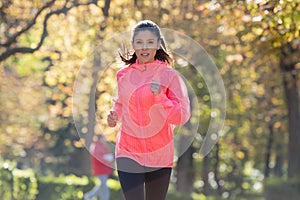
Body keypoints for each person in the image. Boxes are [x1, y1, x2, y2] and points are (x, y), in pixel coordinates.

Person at [107, 20, 191, 200]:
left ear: (158, 44)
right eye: (139, 42)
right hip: (128, 151)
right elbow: (120, 104)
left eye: (150, 42)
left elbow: (181, 116)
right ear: (133, 44)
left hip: (159, 154)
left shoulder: (170, 76)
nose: (144, 47)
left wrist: (160, 96)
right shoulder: (123, 75)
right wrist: (114, 116)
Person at [84, 135, 114, 200]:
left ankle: (90, 196)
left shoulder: (101, 146)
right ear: (100, 138)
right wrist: (106, 158)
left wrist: (108, 158)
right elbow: (98, 157)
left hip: (104, 170)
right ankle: (89, 195)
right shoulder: (97, 146)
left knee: (103, 186)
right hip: (100, 169)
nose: (105, 140)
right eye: (104, 138)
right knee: (103, 186)